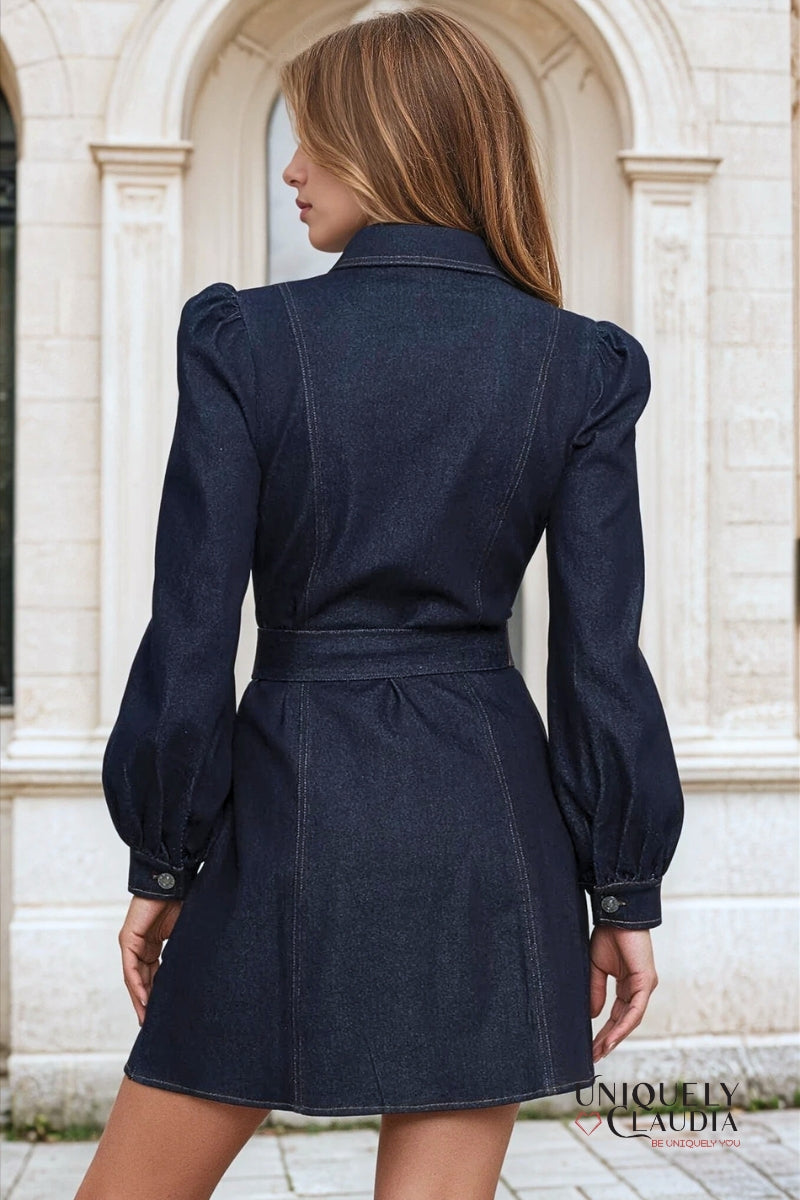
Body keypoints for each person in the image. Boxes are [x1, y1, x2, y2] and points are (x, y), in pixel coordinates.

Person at [75, 7, 684, 1199]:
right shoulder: (579, 363)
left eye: (315, 142)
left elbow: (192, 630)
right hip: (488, 826)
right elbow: (597, 655)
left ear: (395, 142)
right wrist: (621, 887)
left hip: (284, 813)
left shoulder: (245, 340)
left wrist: (161, 859)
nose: (290, 171)